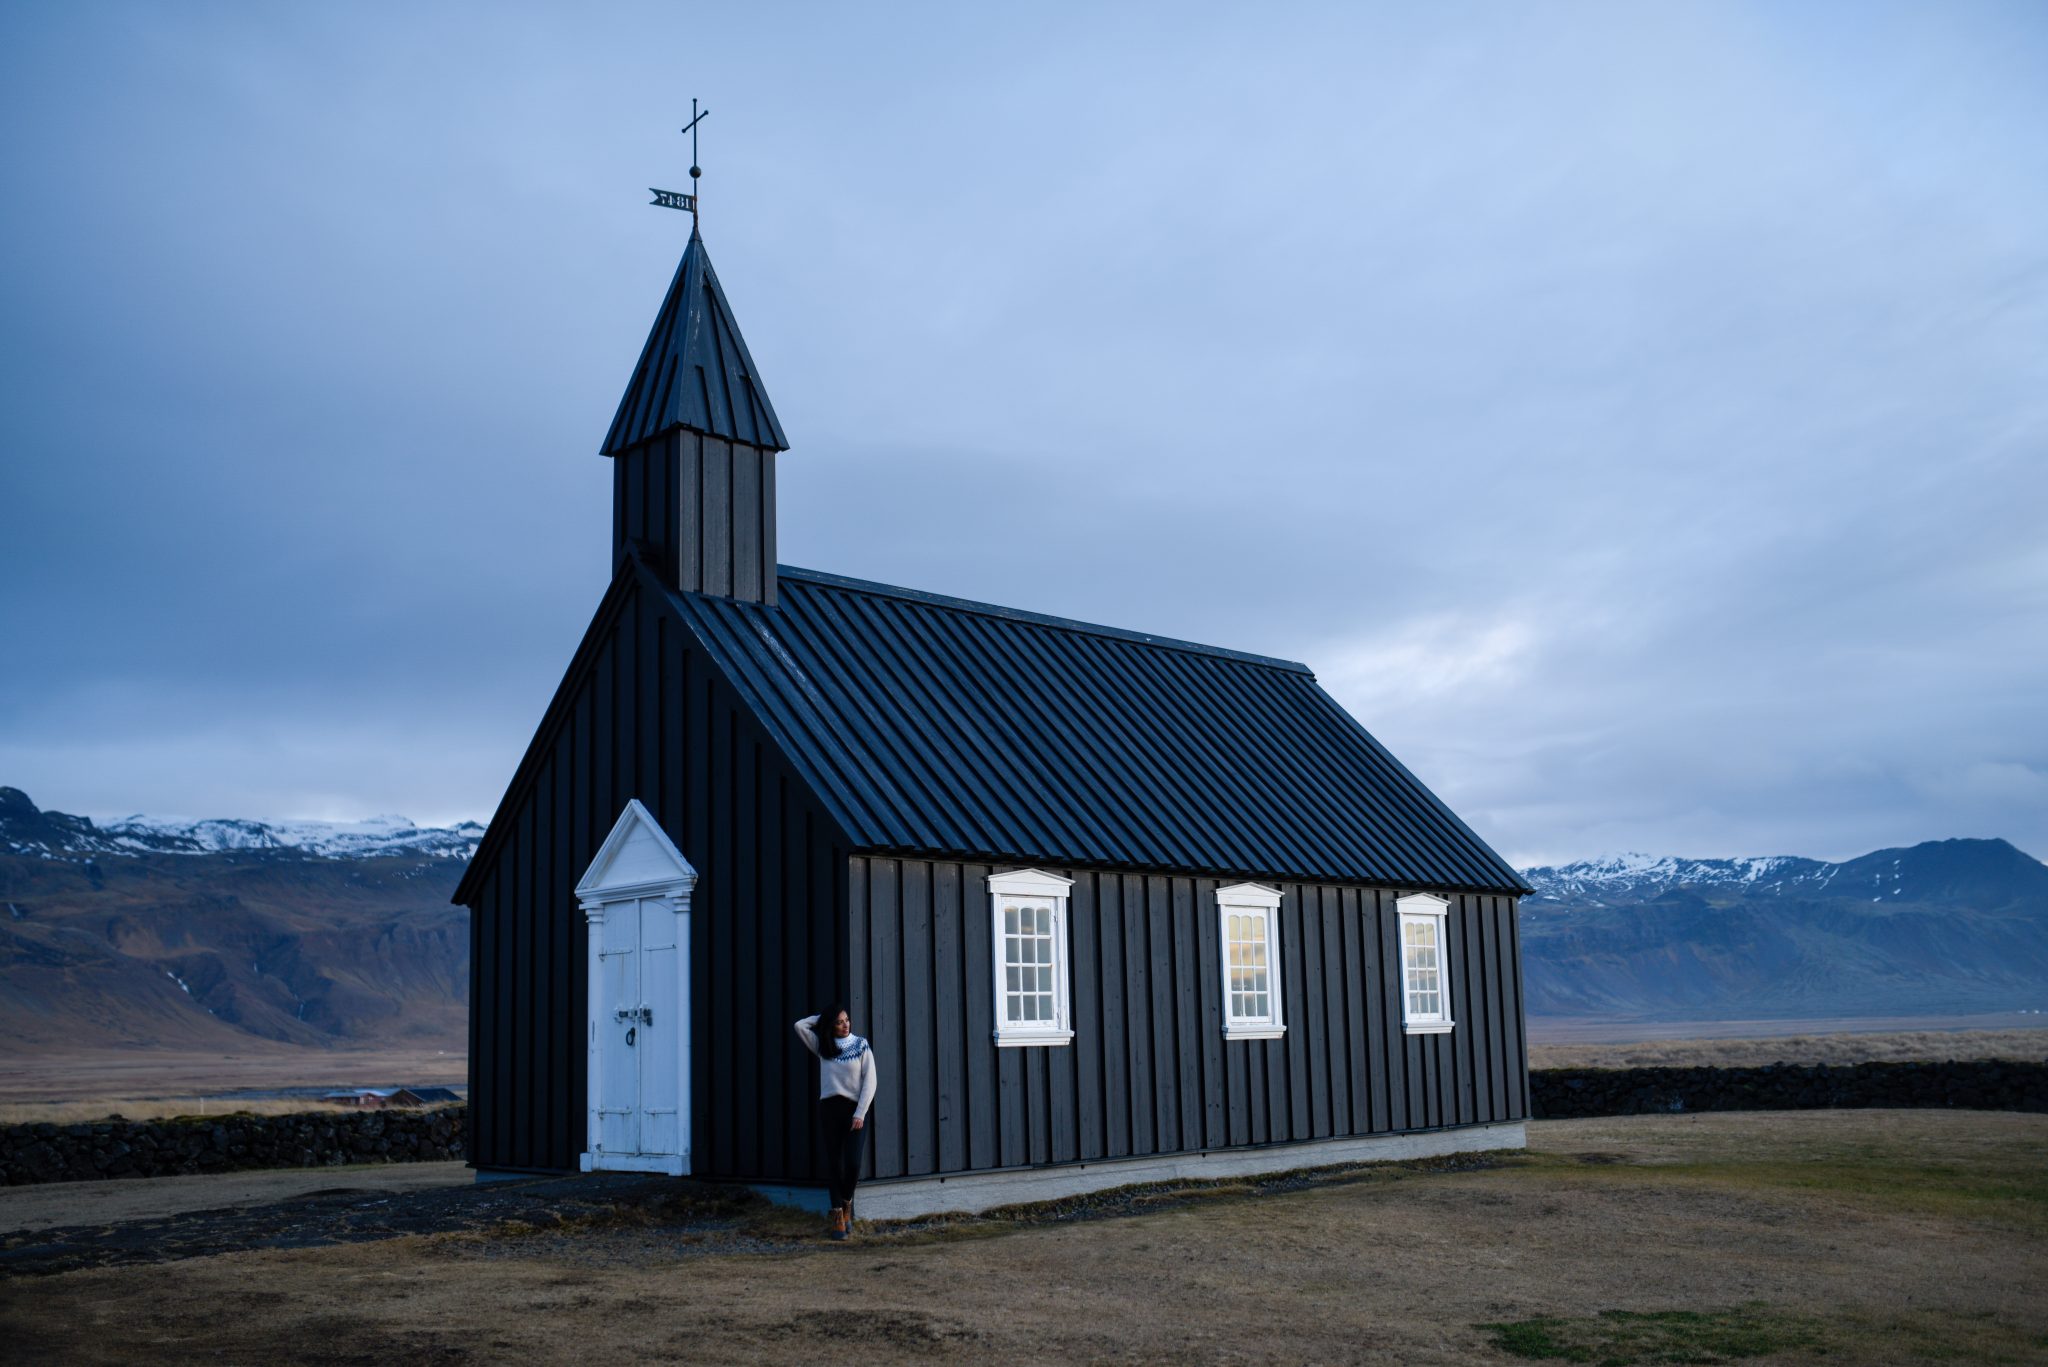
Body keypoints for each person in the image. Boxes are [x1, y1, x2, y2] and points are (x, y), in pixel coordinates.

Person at [794, 1005, 876, 1240]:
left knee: (852, 1163)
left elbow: (870, 1082)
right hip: (830, 1110)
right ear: (831, 1025)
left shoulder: (861, 1045)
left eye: (847, 1020)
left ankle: (847, 1202)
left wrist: (860, 1113)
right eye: (839, 1021)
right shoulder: (823, 1046)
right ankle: (838, 1217)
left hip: (855, 1111)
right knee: (834, 1164)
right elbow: (799, 1025)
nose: (845, 1024)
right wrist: (823, 1017)